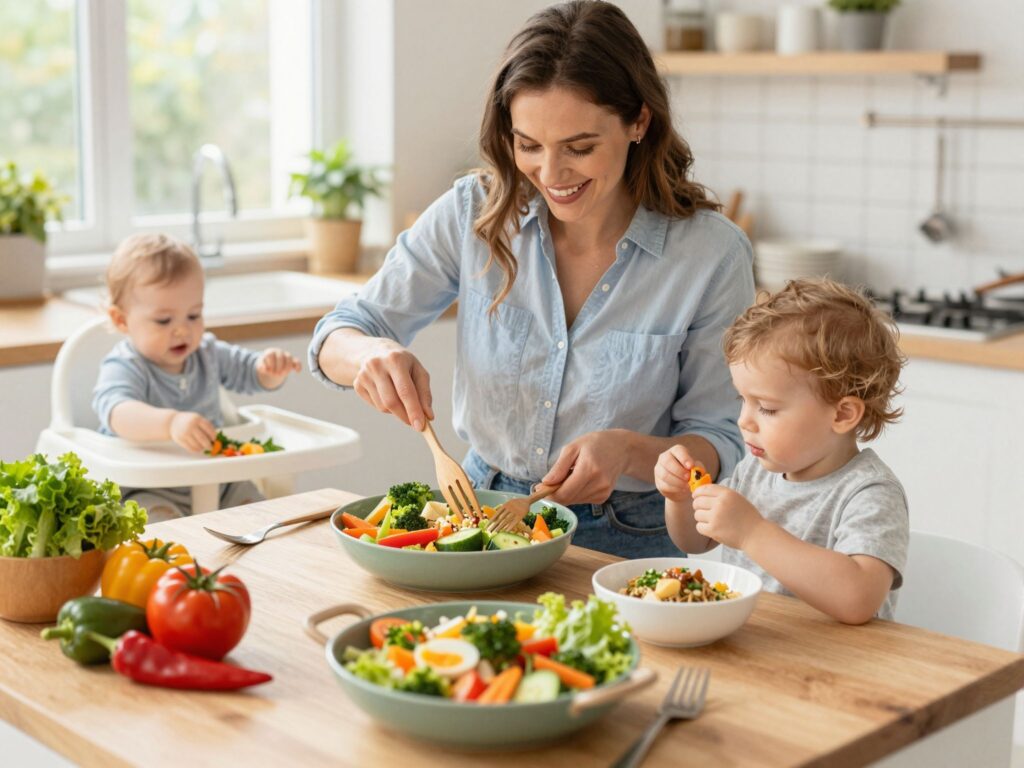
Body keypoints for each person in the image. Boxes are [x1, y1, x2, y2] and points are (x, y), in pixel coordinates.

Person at [308, 0, 754, 557]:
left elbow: (718, 437)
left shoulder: (710, 255)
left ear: (639, 120)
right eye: (528, 145)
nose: (551, 173)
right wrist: (369, 354)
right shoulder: (474, 213)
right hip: (482, 512)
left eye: (580, 147)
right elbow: (339, 331)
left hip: (628, 539)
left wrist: (630, 452)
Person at [655, 278, 909, 622]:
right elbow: (695, 542)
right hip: (756, 651)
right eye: (742, 400)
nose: (744, 421)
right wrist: (680, 499)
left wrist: (752, 532)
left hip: (837, 667)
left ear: (842, 414)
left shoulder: (869, 493)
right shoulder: (755, 470)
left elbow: (858, 599)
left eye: (767, 408)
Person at [92, 233, 301, 519]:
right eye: (164, 320)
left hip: (218, 481)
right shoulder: (126, 365)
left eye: (194, 315)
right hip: (150, 487)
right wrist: (171, 423)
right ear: (121, 319)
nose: (182, 330)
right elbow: (117, 413)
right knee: (154, 528)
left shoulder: (207, 353)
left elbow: (249, 373)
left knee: (261, 515)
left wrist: (269, 370)